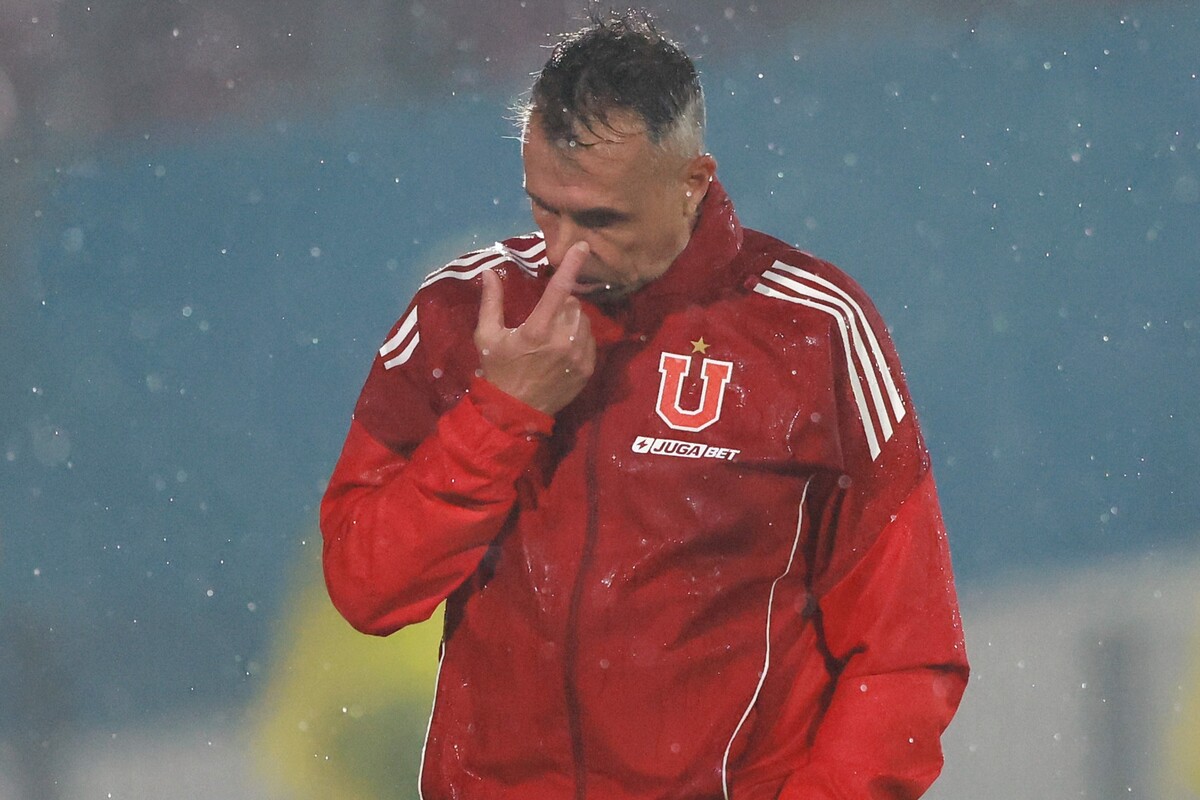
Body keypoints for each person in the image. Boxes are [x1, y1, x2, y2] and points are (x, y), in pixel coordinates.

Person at [321, 9, 969, 799]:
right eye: (543, 207)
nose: (563, 249)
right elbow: (367, 587)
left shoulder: (813, 329)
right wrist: (498, 414)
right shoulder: (461, 317)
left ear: (693, 182)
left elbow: (907, 651)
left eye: (599, 218)